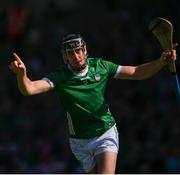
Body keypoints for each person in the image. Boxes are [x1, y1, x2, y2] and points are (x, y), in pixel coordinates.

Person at [9, 33, 177, 174]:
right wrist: (21, 75)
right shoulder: (59, 77)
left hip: (105, 132)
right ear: (65, 57)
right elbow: (29, 89)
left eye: (78, 51)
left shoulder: (101, 66)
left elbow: (136, 72)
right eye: (71, 53)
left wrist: (161, 61)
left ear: (85, 51)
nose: (76, 56)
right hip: (79, 141)